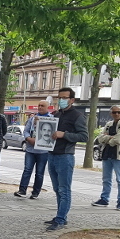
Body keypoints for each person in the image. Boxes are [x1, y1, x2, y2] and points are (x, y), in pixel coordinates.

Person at [46, 87, 88, 231]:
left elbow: (84, 136)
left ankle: (61, 218)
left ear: (72, 100)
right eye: (59, 98)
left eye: (64, 98)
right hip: (52, 155)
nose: (61, 100)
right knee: (57, 189)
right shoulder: (57, 114)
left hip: (65, 156)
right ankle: (60, 215)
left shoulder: (77, 116)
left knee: (64, 190)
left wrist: (64, 134)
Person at [92, 106, 120, 210]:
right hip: (107, 154)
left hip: (119, 155)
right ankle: (104, 199)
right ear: (111, 113)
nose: (116, 114)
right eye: (114, 112)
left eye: (119, 112)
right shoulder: (109, 124)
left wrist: (108, 139)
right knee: (106, 179)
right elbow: (100, 138)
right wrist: (111, 138)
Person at [15, 101, 51, 199]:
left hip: (43, 151)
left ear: (47, 107)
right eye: (39, 105)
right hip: (30, 150)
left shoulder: (51, 119)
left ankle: (35, 192)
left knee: (39, 173)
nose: (40, 107)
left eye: (42, 106)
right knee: (27, 170)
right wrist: (28, 138)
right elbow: (26, 131)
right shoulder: (32, 118)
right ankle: (22, 190)